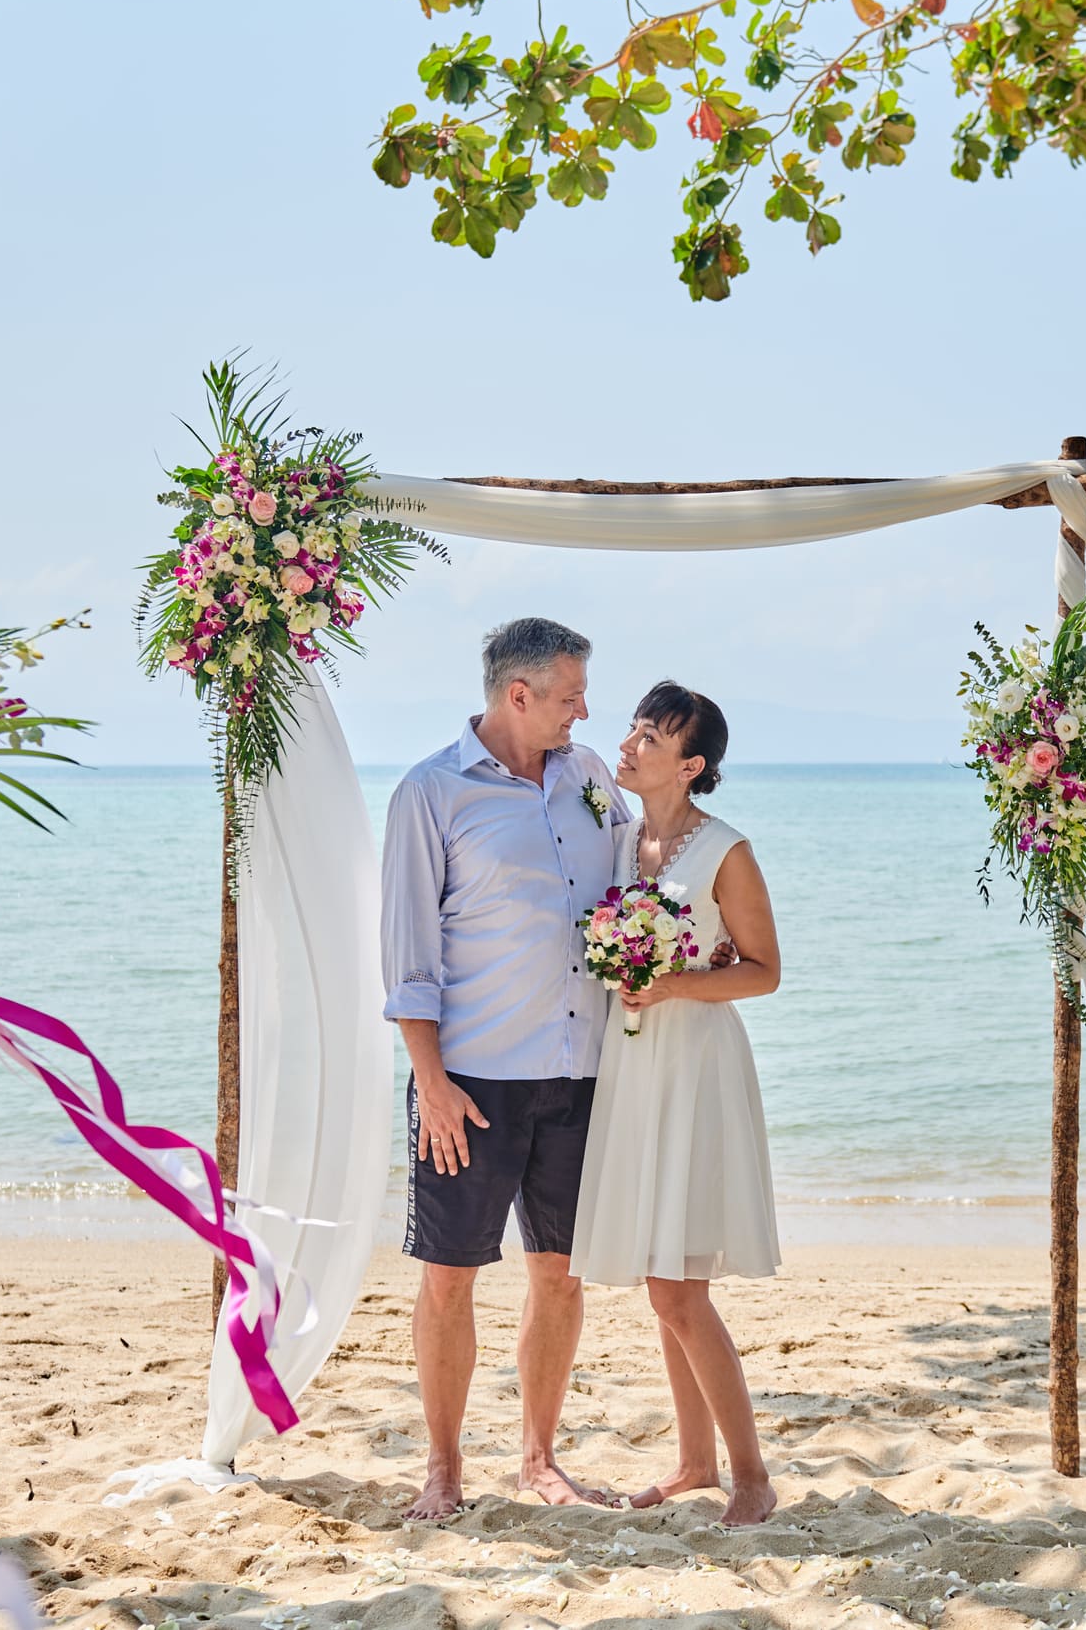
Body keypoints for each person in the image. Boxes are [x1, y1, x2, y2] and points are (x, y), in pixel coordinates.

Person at [379, 616, 631, 1521]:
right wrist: (431, 1080)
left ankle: (538, 1457)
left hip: (581, 1071)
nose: (585, 710)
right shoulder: (432, 792)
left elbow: (635, 886)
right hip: (471, 1082)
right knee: (449, 1275)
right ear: (517, 696)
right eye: (570, 696)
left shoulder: (592, 777)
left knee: (559, 1274)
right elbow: (409, 952)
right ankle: (443, 1468)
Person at [571, 680, 784, 1527]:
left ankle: (752, 1474)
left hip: (695, 1064)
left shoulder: (726, 850)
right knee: (667, 1273)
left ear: (691, 764)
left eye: (650, 735)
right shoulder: (619, 844)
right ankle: (694, 1460)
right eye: (631, 728)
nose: (629, 744)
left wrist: (677, 981)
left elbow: (764, 969)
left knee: (677, 1288)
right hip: (633, 1065)